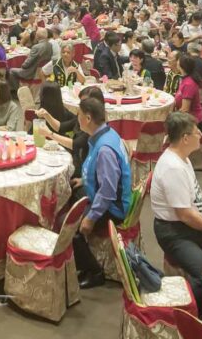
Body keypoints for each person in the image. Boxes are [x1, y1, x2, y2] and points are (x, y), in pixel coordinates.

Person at [151, 112, 202, 313]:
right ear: (185, 138)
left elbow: (192, 202)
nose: (201, 137)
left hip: (185, 224)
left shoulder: (183, 159)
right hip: (173, 232)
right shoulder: (173, 167)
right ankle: (185, 314)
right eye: (197, 133)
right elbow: (185, 215)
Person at [72, 93, 132, 289]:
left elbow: (107, 191)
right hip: (104, 195)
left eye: (79, 114)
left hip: (113, 206)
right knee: (71, 198)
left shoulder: (105, 148)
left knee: (70, 227)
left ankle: (94, 271)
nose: (77, 118)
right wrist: (85, 179)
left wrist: (91, 217)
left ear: (88, 118)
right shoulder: (106, 133)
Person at [174, 55, 202, 125]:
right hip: (187, 118)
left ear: (181, 66)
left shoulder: (188, 84)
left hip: (191, 121)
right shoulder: (186, 78)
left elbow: (185, 109)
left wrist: (173, 115)